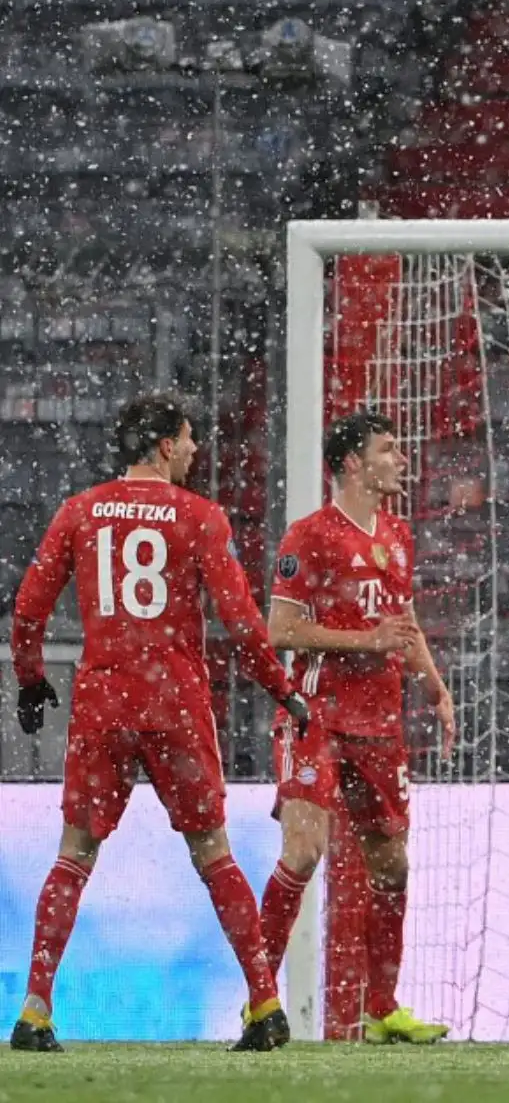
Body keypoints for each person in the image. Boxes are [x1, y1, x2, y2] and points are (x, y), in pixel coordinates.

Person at [9, 393, 310, 1053]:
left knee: (74, 855)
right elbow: (240, 620)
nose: (199, 449)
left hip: (104, 699)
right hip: (173, 701)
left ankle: (34, 1011)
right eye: (191, 438)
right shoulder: (198, 517)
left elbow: (28, 610)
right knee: (214, 853)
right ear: (166, 446)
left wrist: (31, 680)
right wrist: (282, 689)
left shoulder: (79, 512)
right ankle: (264, 1003)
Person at [259, 411, 454, 1044]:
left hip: (380, 722)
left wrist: (434, 684)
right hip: (317, 714)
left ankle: (385, 1007)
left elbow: (403, 619)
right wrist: (363, 639)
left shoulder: (397, 533)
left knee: (392, 864)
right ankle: (260, 1000)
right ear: (352, 464)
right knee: (304, 852)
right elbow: (281, 633)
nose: (401, 459)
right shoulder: (309, 536)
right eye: (388, 450)